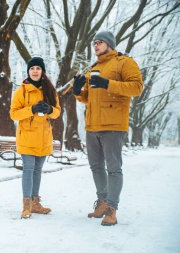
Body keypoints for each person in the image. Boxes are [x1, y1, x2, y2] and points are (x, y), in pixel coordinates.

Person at [73, 31, 143, 226]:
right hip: (92, 125)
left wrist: (108, 83)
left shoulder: (124, 62)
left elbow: (136, 87)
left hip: (113, 125)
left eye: (99, 42)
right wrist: (78, 91)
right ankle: (102, 202)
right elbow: (87, 98)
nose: (95, 45)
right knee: (96, 167)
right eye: (94, 43)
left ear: (110, 44)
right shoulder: (93, 67)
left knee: (113, 168)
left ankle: (112, 208)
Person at [10, 57, 61, 219]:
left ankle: (35, 203)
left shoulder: (50, 91)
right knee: (29, 169)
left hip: (44, 137)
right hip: (26, 136)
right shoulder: (22, 91)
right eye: (32, 68)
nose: (35, 71)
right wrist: (31, 109)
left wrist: (49, 109)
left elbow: (57, 112)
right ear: (29, 71)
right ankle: (26, 205)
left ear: (42, 71)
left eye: (38, 68)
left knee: (38, 170)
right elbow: (13, 113)